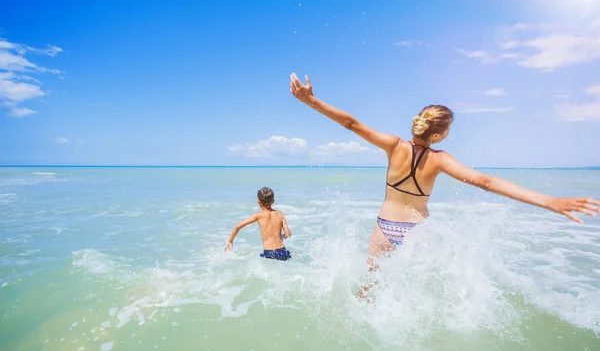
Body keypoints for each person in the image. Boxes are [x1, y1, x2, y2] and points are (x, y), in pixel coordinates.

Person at [289, 73, 599, 273]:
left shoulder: (394, 146)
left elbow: (352, 124)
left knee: (370, 286)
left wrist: (310, 100)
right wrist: (550, 201)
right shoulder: (440, 159)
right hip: (418, 232)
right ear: (438, 135)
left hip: (385, 227)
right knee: (424, 287)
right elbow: (484, 182)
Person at [224, 187, 292, 261]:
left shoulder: (258, 215)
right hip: (282, 251)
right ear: (273, 201)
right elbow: (288, 234)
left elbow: (237, 226)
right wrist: (280, 237)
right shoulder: (280, 214)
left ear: (258, 202)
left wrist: (230, 241)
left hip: (269, 252)